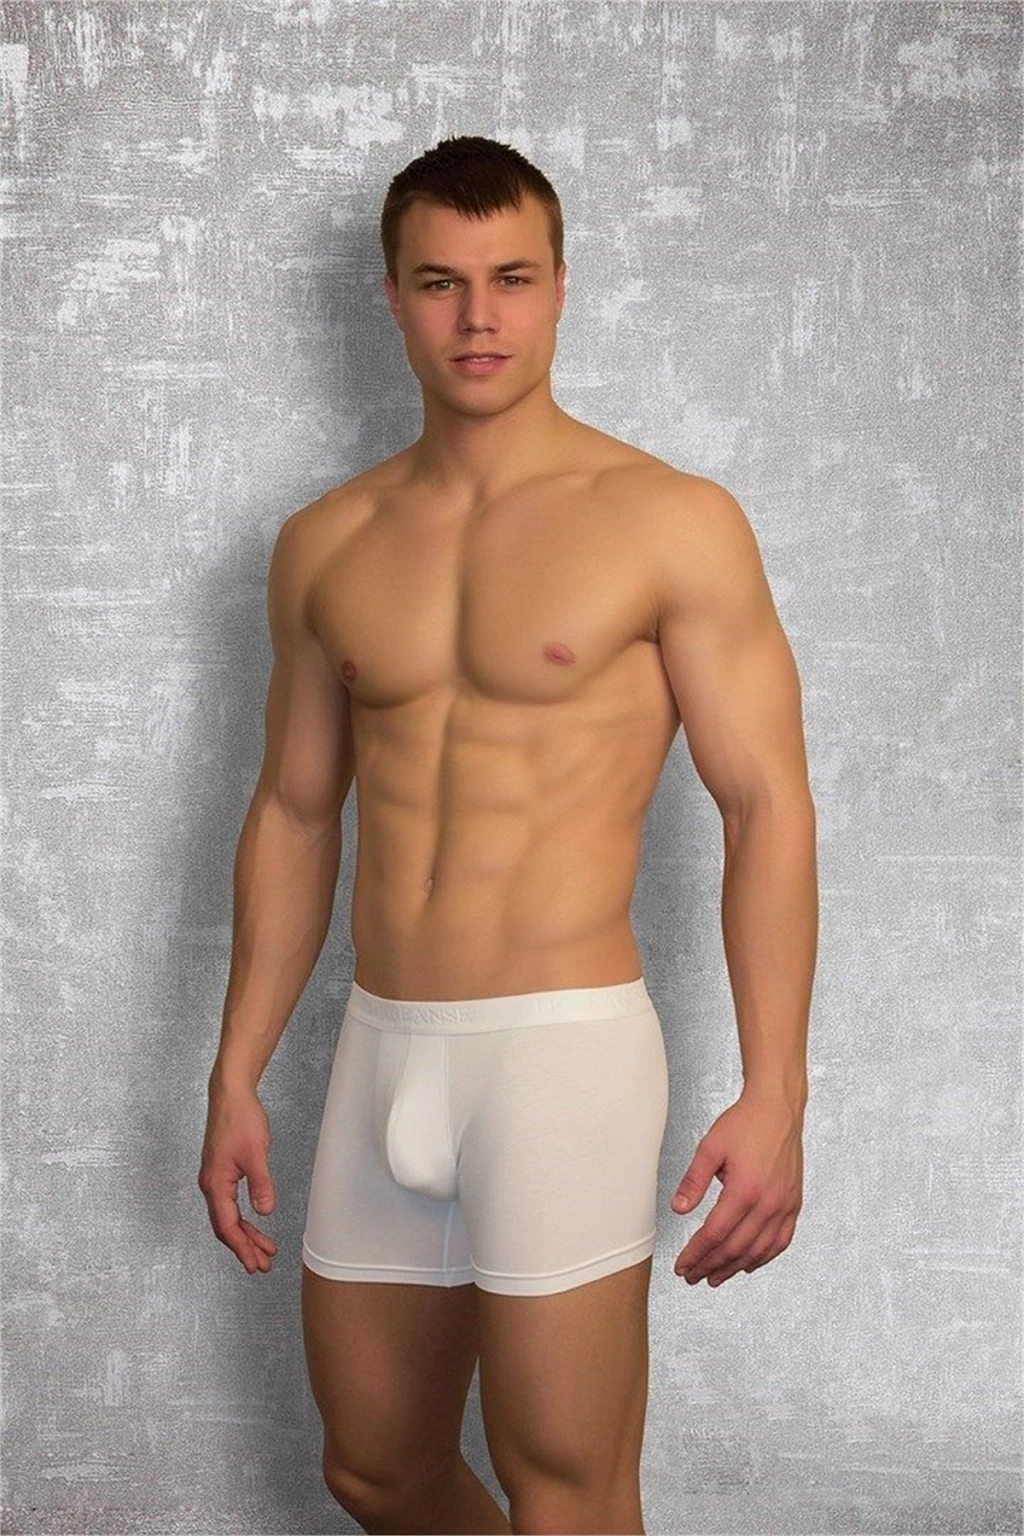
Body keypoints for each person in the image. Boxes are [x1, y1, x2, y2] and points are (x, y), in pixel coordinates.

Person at [198, 134, 818, 1536]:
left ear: (561, 287)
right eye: (440, 282)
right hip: (382, 1049)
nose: (478, 317)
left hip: (561, 1054)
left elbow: (767, 805)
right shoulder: (326, 542)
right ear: (391, 295)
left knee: (570, 1490)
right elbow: (294, 809)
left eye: (512, 279)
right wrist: (236, 1067)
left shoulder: (670, 522)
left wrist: (778, 1091)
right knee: (375, 1469)